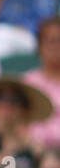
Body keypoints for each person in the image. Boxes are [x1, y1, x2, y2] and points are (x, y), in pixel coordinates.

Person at [24, 18, 60, 149]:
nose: (56, 47)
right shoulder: (27, 82)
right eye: (51, 41)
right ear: (40, 46)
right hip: (35, 149)